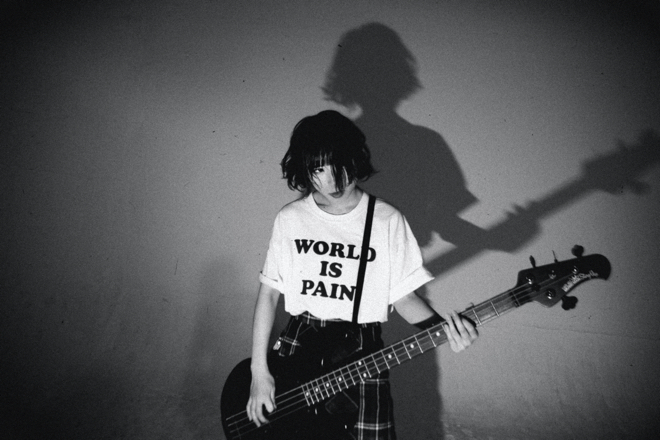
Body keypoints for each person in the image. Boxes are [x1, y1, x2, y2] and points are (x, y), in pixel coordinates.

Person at [246, 110, 478, 439]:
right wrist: (259, 372)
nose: (332, 181)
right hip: (300, 348)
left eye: (339, 164)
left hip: (360, 352)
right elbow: (268, 294)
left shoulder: (386, 220)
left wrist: (446, 331)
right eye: (318, 169)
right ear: (305, 169)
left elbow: (404, 297)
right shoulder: (291, 219)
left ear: (355, 158)